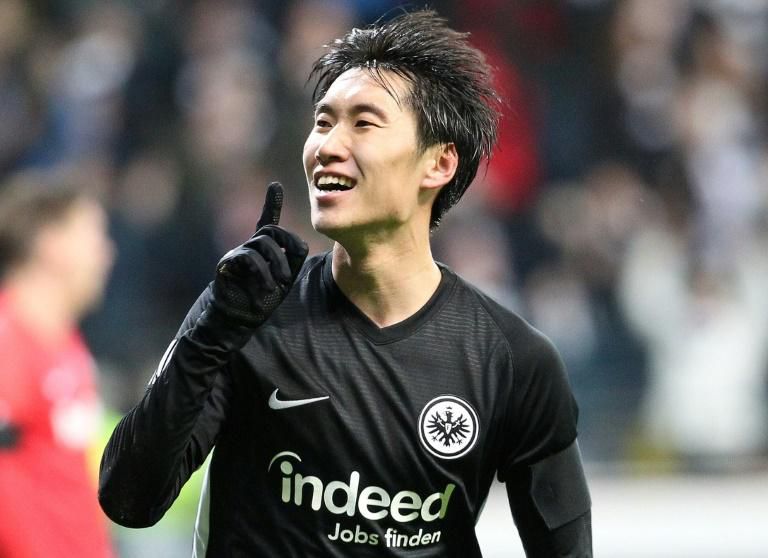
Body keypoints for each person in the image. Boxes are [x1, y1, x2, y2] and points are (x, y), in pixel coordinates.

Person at [99, 10, 592, 557]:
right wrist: (210, 334)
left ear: (439, 163)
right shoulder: (245, 315)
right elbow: (129, 501)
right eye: (323, 122)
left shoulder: (513, 360)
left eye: (363, 123)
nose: (328, 146)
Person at [0, 181, 115, 557]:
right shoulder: (8, 342)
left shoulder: (67, 345)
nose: (107, 254)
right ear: (52, 244)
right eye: (93, 236)